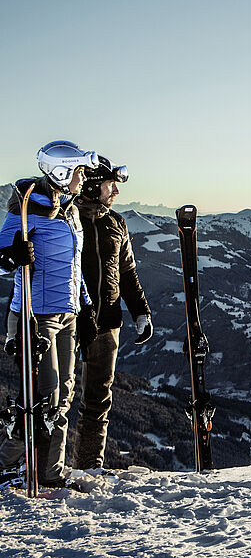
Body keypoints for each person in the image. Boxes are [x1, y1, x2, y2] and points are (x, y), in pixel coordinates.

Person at [0, 140, 99, 487]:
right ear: (62, 171)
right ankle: (7, 463)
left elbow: (73, 266)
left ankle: (50, 472)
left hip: (68, 313)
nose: (84, 178)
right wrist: (14, 255)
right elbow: (1, 260)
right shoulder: (25, 209)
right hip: (36, 315)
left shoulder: (70, 211)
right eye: (80, 172)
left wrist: (84, 307)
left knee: (64, 395)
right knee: (45, 397)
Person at [72, 155, 152, 471]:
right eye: (110, 185)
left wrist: (140, 312)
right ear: (92, 185)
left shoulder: (116, 223)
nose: (115, 192)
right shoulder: (65, 218)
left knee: (97, 402)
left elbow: (127, 272)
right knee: (56, 400)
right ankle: (46, 470)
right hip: (68, 323)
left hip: (107, 324)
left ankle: (87, 468)